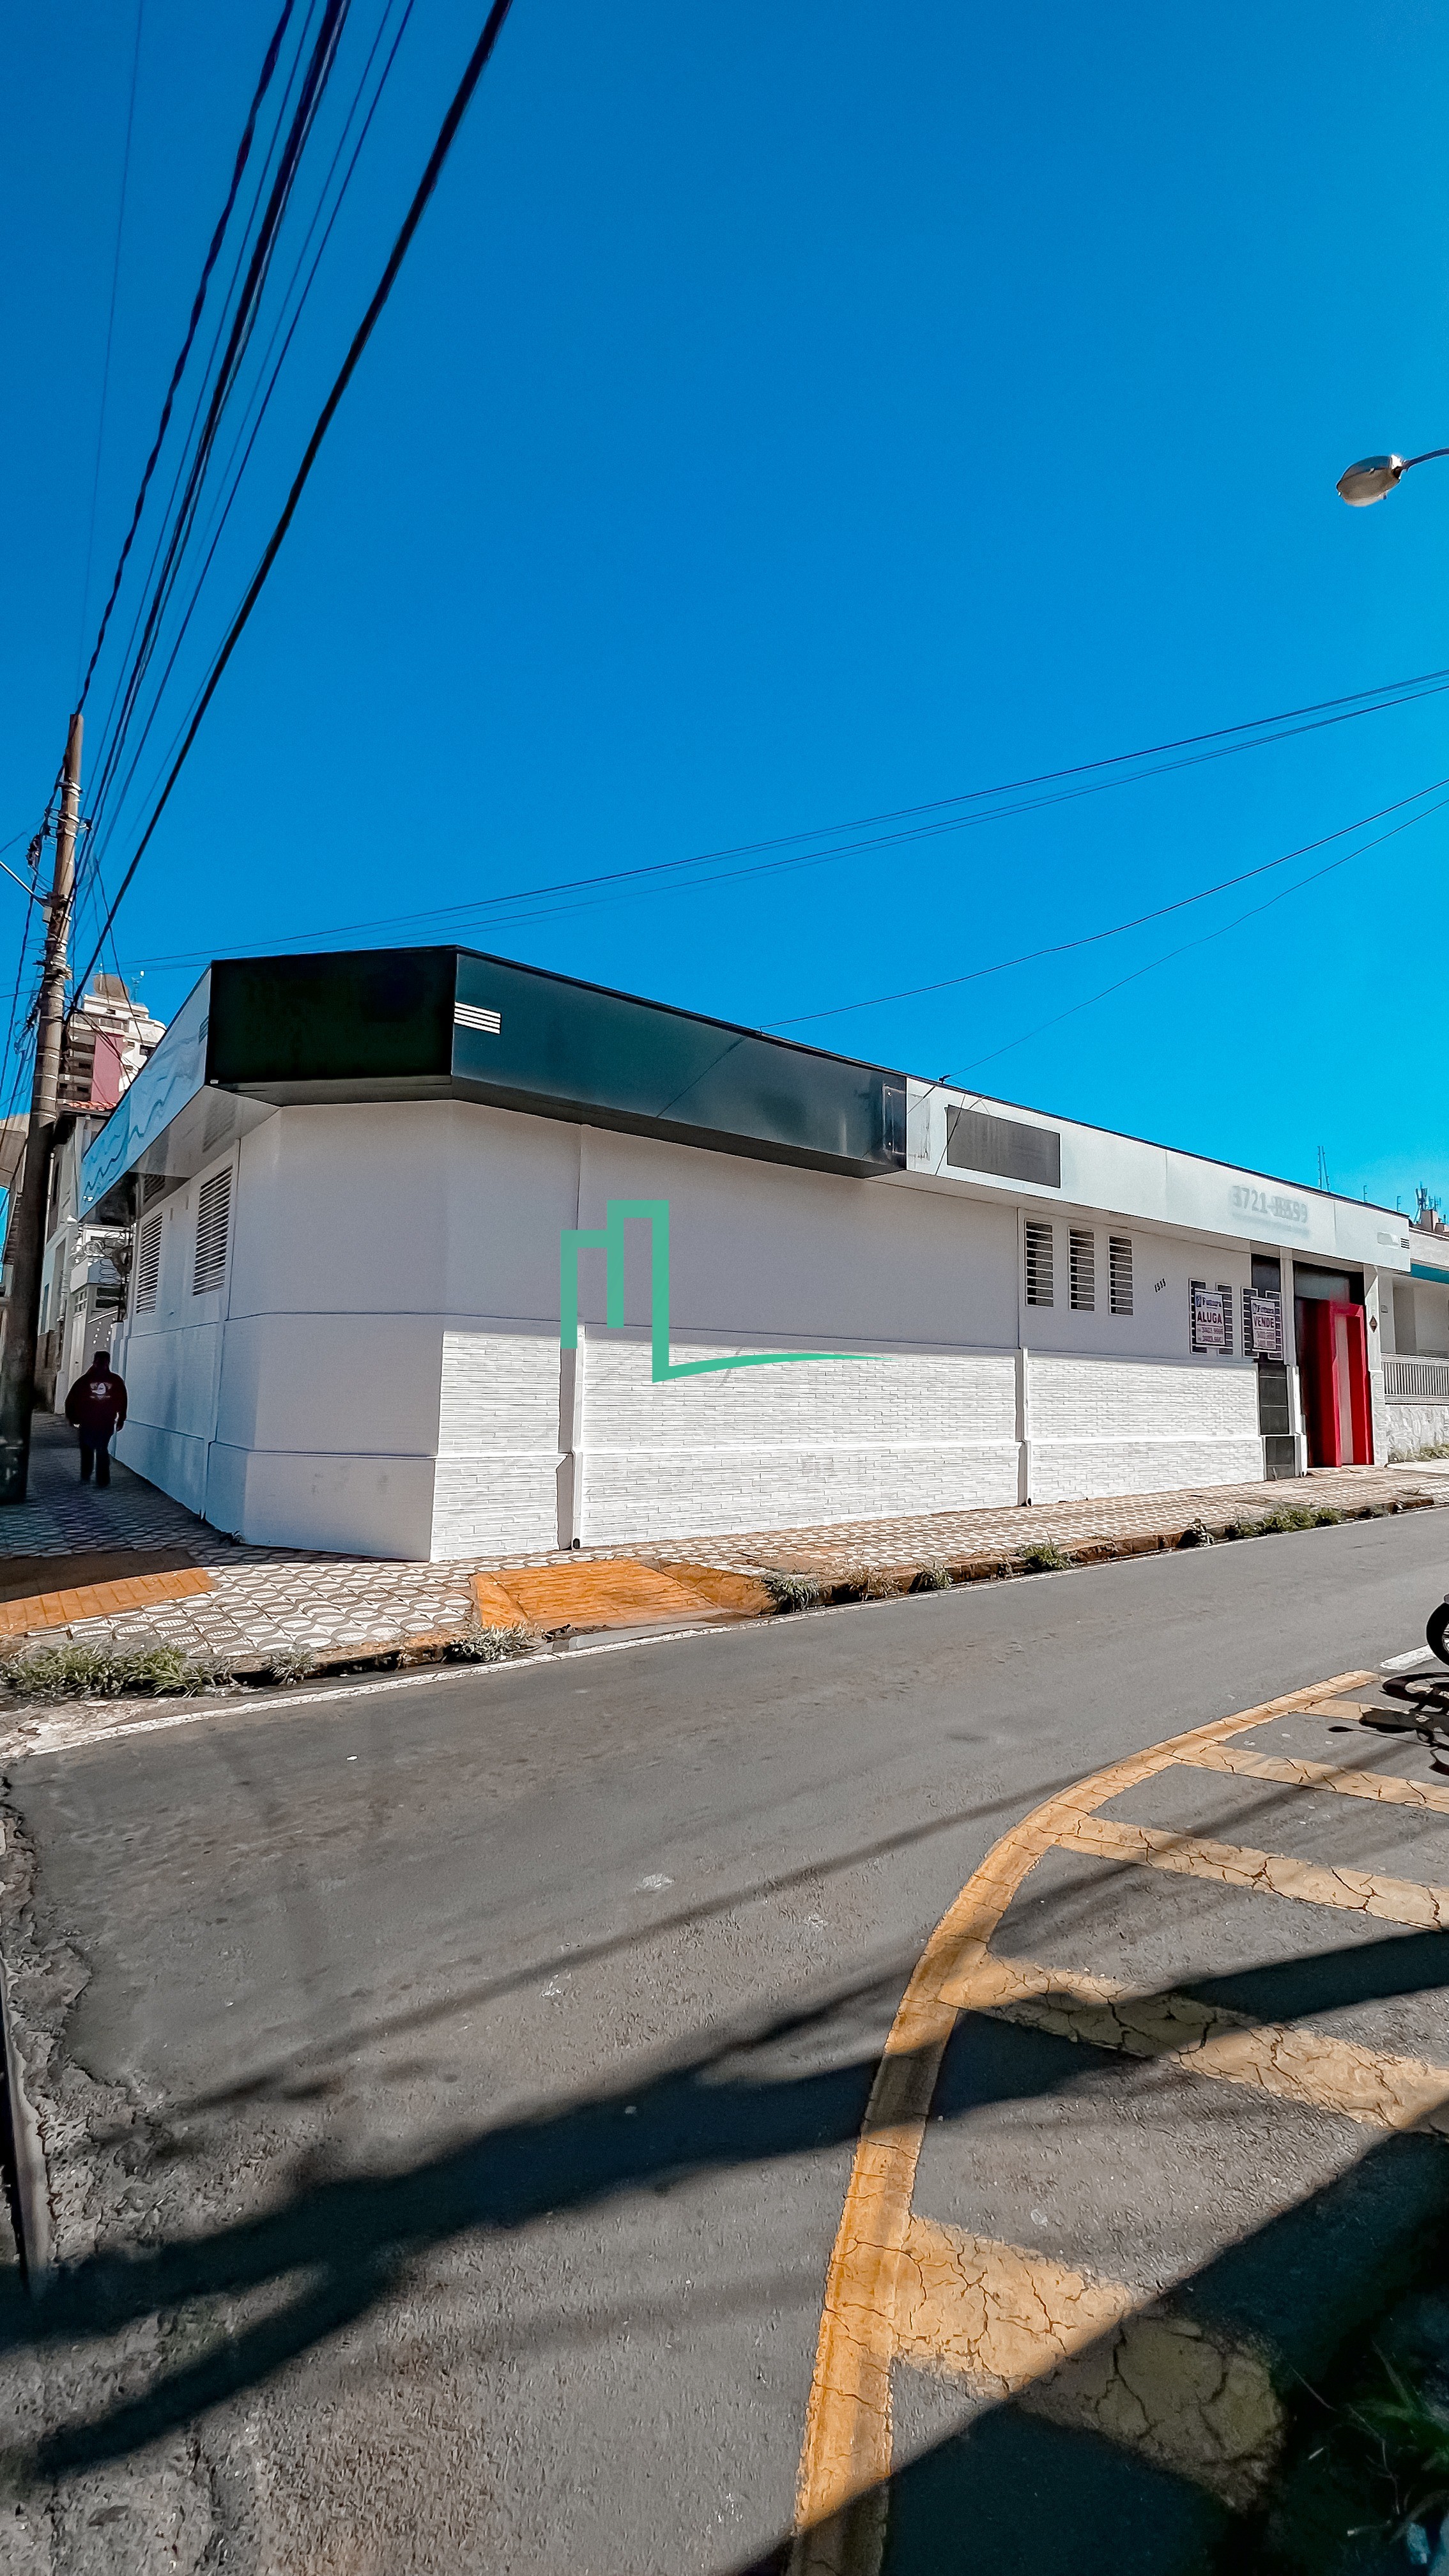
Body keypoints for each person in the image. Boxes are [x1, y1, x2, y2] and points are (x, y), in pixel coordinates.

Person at [63, 1349, 128, 1487]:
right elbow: (122, 1400)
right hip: (98, 1421)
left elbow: (71, 1399)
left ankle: (90, 1476)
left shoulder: (86, 1380)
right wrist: (121, 1418)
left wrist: (71, 1417)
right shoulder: (113, 1380)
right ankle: (99, 1479)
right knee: (97, 1448)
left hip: (97, 1421)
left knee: (94, 1449)